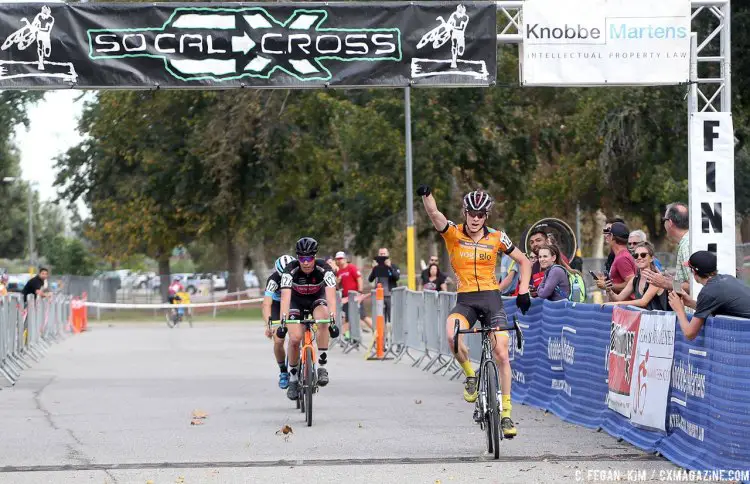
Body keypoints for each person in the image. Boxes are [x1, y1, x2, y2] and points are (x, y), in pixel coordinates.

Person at [417, 184, 531, 438]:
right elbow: (435, 215)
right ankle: (470, 375)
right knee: (451, 334)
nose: (476, 218)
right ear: (465, 212)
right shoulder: (454, 234)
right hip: (466, 300)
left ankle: (506, 414)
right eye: (472, 213)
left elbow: (524, 260)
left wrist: (523, 290)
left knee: (502, 351)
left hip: (491, 298)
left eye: (481, 214)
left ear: (486, 216)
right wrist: (427, 196)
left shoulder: (498, 237)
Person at [280, 237, 337, 401]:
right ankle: (292, 379)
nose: (305, 262)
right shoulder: (290, 270)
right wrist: (283, 320)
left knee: (323, 319)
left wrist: (332, 318)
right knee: (295, 338)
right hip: (295, 302)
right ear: (297, 257)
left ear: (315, 256)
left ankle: (322, 367)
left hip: (316, 300)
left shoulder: (324, 269)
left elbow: (331, 296)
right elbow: (285, 296)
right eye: (302, 258)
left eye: (309, 258)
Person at [668, 251, 750, 340]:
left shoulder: (708, 291)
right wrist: (690, 303)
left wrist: (679, 309)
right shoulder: (727, 278)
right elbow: (715, 305)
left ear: (694, 272)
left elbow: (690, 334)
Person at [262, 255, 295, 390]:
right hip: (277, 304)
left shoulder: (300, 274)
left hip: (294, 302)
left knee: (298, 333)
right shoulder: (273, 280)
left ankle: (306, 360)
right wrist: (269, 324)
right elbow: (266, 304)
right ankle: (283, 371)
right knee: (278, 340)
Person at [604, 242, 667, 311]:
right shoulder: (635, 279)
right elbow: (618, 298)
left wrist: (617, 303)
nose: (639, 258)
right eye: (636, 255)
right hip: (644, 320)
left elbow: (643, 302)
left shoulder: (655, 278)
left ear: (651, 258)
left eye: (643, 255)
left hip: (661, 320)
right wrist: (609, 290)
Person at [644, 203, 691, 295]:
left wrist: (666, 283)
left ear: (670, 223)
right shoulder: (687, 243)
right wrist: (672, 281)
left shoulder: (687, 246)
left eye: (663, 220)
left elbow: (693, 287)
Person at [335, 251, 372, 339]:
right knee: (347, 317)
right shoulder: (339, 271)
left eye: (340, 259)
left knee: (363, 316)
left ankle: (377, 331)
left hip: (355, 296)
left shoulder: (351, 267)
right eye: (337, 259)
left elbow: (359, 279)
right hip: (346, 298)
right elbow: (338, 286)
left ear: (344, 259)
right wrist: (338, 282)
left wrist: (359, 292)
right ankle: (347, 336)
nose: (339, 261)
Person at [595, 222, 636, 296]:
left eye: (609, 234)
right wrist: (606, 281)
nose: (606, 236)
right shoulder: (620, 255)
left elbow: (631, 283)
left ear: (612, 236)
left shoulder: (622, 258)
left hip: (624, 305)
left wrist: (607, 286)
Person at [367, 247, 400, 323]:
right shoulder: (377, 268)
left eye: (384, 254)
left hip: (390, 295)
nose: (382, 256)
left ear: (388, 254)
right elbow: (370, 279)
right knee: (380, 318)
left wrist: (389, 267)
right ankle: (383, 334)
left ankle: (392, 333)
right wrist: (373, 269)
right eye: (381, 254)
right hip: (379, 296)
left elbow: (397, 277)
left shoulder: (393, 266)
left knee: (391, 317)